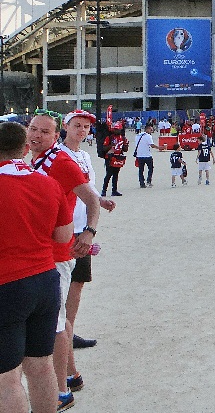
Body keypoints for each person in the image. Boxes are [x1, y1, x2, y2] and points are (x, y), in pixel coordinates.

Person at [0, 121, 73, 413]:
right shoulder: (47, 182)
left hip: (7, 283)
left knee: (7, 378)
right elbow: (64, 236)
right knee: (41, 366)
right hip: (45, 279)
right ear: (25, 147)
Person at [56, 110, 117, 396]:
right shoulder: (58, 155)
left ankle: (70, 331)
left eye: (85, 127)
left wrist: (99, 200)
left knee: (77, 285)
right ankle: (63, 336)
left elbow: (87, 187)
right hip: (68, 229)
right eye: (76, 126)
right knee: (64, 285)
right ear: (65, 127)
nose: (81, 130)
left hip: (83, 227)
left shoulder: (85, 157)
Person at [100, 121, 128, 196]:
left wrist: (125, 145)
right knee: (108, 174)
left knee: (116, 174)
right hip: (109, 157)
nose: (116, 131)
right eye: (115, 129)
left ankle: (114, 190)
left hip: (118, 157)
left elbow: (125, 150)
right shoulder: (109, 137)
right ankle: (104, 190)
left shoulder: (123, 138)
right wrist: (111, 145)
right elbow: (104, 148)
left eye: (118, 129)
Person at [134, 123, 160, 188]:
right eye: (151, 130)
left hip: (139, 155)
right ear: (147, 129)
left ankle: (141, 183)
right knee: (150, 168)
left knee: (141, 170)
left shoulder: (138, 136)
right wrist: (160, 147)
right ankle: (149, 181)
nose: (152, 131)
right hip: (147, 155)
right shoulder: (148, 136)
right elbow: (152, 145)